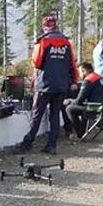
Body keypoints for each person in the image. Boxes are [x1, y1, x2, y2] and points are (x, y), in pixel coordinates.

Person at [18, 16, 78, 155]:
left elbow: (36, 62)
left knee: (37, 114)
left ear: (44, 27)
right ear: (56, 26)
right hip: (61, 85)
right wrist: (73, 81)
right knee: (55, 115)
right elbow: (73, 65)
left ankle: (28, 143)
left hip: (44, 85)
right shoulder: (66, 43)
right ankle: (51, 145)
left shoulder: (43, 41)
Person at [63, 62, 103, 140]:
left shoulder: (89, 80)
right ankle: (83, 130)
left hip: (97, 108)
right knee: (84, 105)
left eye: (80, 72)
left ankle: (80, 134)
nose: (79, 75)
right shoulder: (101, 78)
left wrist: (69, 101)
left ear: (84, 71)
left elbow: (78, 101)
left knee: (69, 109)